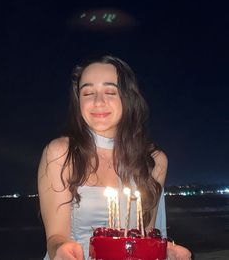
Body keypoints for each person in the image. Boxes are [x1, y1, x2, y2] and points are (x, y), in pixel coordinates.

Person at [38, 55, 191, 260]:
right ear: (78, 101)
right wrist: (61, 250)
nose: (98, 102)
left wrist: (164, 253)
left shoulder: (154, 160)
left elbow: (145, 237)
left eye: (110, 91)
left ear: (128, 98)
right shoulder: (60, 153)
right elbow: (56, 236)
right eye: (88, 93)